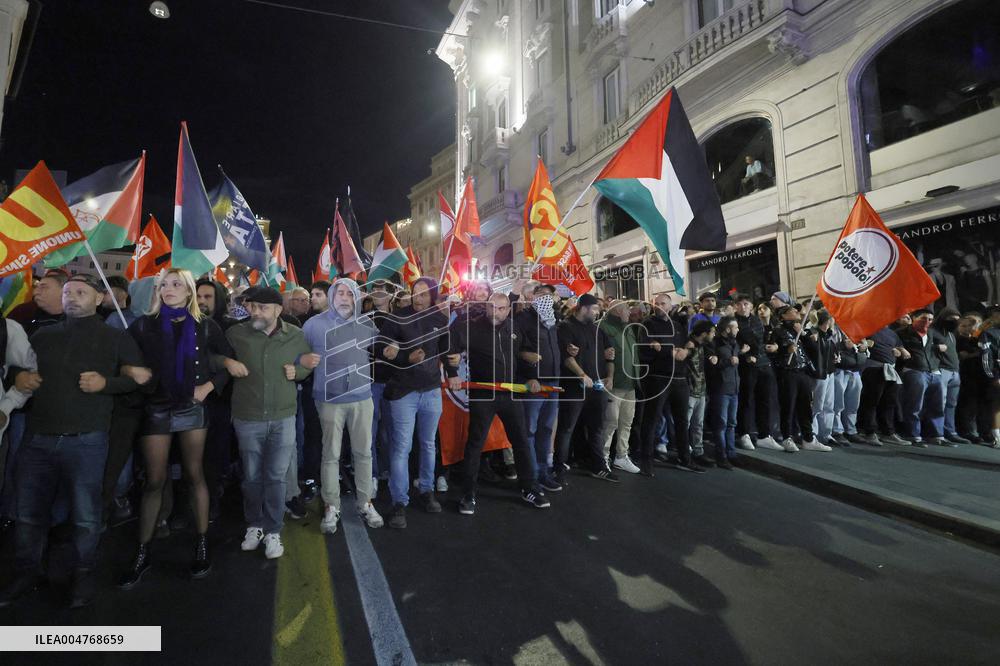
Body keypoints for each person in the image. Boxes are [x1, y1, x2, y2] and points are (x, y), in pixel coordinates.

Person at [0, 275, 146, 608]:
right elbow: (14, 368)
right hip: (38, 438)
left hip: (86, 441)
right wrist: (16, 376)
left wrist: (105, 383)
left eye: (81, 292)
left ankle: (82, 576)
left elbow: (138, 379)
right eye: (68, 293)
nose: (72, 297)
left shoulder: (115, 336)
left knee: (85, 517)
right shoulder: (43, 335)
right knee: (28, 514)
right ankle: (27, 573)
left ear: (99, 299)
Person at [119, 269, 233, 589]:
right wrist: (130, 369)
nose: (168, 289)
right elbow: (121, 360)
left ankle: (201, 543)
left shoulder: (205, 326)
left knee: (195, 474)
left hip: (192, 408)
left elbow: (228, 361)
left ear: (188, 292)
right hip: (156, 408)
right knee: (155, 480)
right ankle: (142, 552)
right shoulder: (143, 325)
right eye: (163, 285)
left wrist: (209, 386)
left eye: (176, 285)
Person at [224, 287, 319, 559]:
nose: (255, 312)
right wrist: (226, 360)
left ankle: (274, 529)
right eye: (252, 306)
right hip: (248, 417)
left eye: (262, 308)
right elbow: (213, 357)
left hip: (283, 417)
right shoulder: (235, 334)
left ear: (278, 310)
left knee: (276, 477)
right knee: (252, 477)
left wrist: (298, 371)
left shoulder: (296, 335)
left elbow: (307, 364)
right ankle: (254, 525)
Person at [446, 292, 548, 514]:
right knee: (475, 444)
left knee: (520, 440)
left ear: (508, 310)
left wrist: (532, 377)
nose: (496, 312)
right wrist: (452, 372)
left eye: (501, 308)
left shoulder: (514, 327)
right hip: (483, 395)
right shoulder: (470, 326)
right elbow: (449, 344)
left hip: (510, 394)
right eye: (492, 307)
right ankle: (468, 494)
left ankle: (529, 487)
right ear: (486, 307)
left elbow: (525, 355)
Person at [303, 279, 383, 534]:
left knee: (364, 453)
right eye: (340, 293)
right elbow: (297, 355)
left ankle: (365, 502)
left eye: (351, 293)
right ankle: (331, 506)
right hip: (328, 401)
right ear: (331, 296)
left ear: (357, 298)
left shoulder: (367, 325)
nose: (345, 298)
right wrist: (301, 360)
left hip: (362, 398)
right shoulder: (313, 325)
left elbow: (375, 353)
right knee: (330, 456)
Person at [378, 277, 449, 529]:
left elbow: (447, 350)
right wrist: (404, 357)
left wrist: (453, 361)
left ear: (432, 296)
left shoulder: (440, 319)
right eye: (415, 293)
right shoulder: (397, 317)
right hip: (403, 392)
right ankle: (399, 501)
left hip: (431, 391)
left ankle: (427, 490)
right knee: (401, 448)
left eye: (424, 294)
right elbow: (381, 350)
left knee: (429, 445)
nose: (418, 298)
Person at [554, 294, 617, 483]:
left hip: (596, 388)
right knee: (567, 429)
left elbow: (610, 355)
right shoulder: (565, 327)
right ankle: (558, 468)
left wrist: (610, 377)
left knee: (596, 427)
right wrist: (582, 375)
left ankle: (598, 466)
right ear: (584, 308)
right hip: (573, 387)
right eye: (595, 308)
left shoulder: (597, 330)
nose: (598, 312)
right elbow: (567, 357)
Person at [637, 293, 702, 475]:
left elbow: (685, 347)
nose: (658, 306)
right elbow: (645, 349)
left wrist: (685, 352)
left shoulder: (677, 326)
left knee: (682, 420)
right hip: (658, 378)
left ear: (670, 305)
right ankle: (646, 461)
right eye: (655, 303)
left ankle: (684, 458)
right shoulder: (647, 325)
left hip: (679, 379)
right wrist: (668, 352)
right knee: (651, 419)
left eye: (662, 303)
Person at [515, 283, 563, 491]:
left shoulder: (553, 321)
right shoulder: (523, 319)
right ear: (532, 297)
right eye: (540, 294)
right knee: (529, 431)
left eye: (548, 295)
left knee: (545, 429)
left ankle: (543, 473)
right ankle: (530, 476)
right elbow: (515, 351)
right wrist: (529, 376)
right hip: (533, 384)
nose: (544, 297)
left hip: (552, 383)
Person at [772, 306, 827, 451]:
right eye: (792, 311)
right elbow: (774, 350)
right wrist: (786, 349)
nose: (797, 313)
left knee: (805, 406)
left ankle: (808, 438)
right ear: (783, 316)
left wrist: (802, 334)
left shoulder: (799, 330)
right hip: (787, 372)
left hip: (803, 372)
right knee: (788, 406)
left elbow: (814, 349)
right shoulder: (778, 331)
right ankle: (786, 437)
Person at [733, 293, 781, 450]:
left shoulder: (755, 320)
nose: (743, 306)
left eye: (746, 303)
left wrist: (774, 347)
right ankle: (743, 433)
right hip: (746, 366)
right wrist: (745, 354)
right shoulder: (733, 322)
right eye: (740, 304)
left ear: (751, 306)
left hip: (763, 364)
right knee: (746, 400)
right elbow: (733, 343)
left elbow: (760, 341)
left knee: (765, 400)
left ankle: (764, 435)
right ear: (735, 306)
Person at [599, 300, 641, 474]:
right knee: (610, 423)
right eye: (625, 309)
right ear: (616, 310)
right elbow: (595, 352)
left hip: (630, 383)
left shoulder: (628, 327)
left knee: (626, 422)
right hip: (614, 384)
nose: (629, 312)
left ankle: (621, 456)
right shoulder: (602, 327)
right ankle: (602, 457)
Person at [897, 310, 946, 447]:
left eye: (930, 319)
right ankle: (913, 435)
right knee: (914, 404)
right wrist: (900, 349)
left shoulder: (931, 333)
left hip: (934, 371)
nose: (927, 322)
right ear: (914, 318)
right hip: (914, 370)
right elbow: (894, 344)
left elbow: (944, 343)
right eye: (923, 319)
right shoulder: (903, 332)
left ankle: (935, 434)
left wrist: (940, 347)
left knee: (937, 405)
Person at [857, 326, 908, 446]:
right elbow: (860, 344)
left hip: (890, 369)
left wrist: (900, 351)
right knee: (871, 402)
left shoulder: (891, 332)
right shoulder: (867, 329)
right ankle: (868, 431)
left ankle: (887, 432)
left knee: (889, 402)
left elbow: (897, 345)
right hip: (873, 368)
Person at [931, 308, 969, 445]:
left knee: (951, 404)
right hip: (942, 370)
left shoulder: (952, 335)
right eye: (951, 319)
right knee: (939, 403)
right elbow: (927, 347)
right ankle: (937, 433)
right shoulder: (933, 332)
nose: (955, 322)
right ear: (943, 318)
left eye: (957, 319)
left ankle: (950, 431)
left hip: (954, 371)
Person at [707, 316, 740, 469]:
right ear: (727, 329)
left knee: (732, 423)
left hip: (734, 388)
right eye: (735, 327)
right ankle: (721, 456)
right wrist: (728, 361)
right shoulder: (715, 344)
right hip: (720, 389)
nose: (738, 330)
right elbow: (711, 366)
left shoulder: (735, 343)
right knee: (721, 424)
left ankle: (731, 453)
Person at [804, 310, 838, 447]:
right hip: (818, 373)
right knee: (817, 405)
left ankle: (826, 433)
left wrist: (836, 356)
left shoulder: (829, 335)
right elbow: (811, 352)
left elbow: (832, 350)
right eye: (829, 319)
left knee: (829, 404)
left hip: (829, 372)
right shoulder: (812, 333)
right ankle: (812, 433)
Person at [831, 328, 869, 446]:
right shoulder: (833, 329)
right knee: (838, 403)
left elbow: (864, 351)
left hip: (855, 370)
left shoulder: (856, 329)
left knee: (853, 404)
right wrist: (843, 345)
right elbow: (829, 346)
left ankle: (850, 430)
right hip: (840, 370)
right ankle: (837, 431)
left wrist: (864, 348)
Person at [685, 320, 714, 468]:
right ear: (704, 333)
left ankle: (698, 451)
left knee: (698, 424)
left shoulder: (704, 346)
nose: (713, 335)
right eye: (711, 332)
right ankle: (685, 452)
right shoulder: (688, 344)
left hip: (701, 390)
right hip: (690, 390)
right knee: (686, 423)